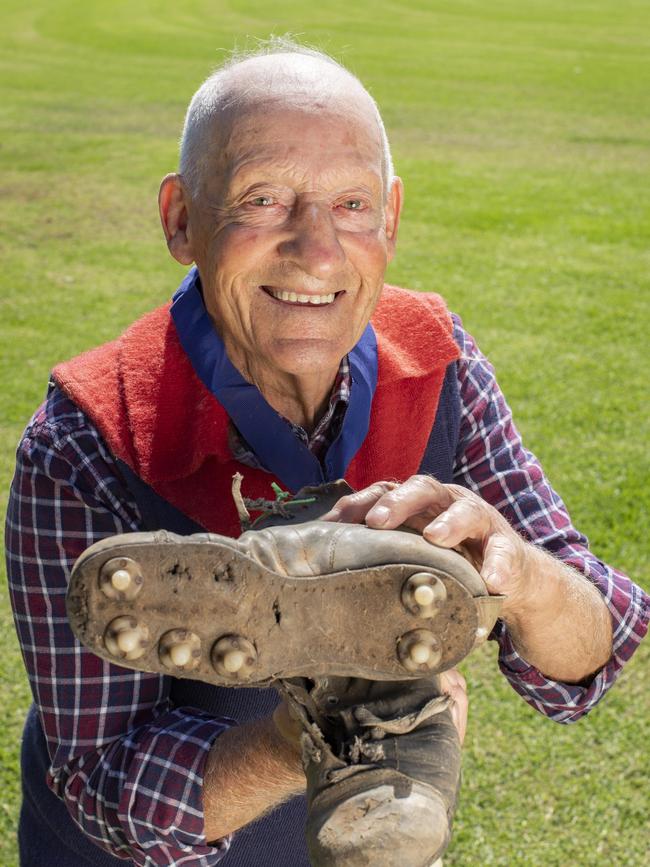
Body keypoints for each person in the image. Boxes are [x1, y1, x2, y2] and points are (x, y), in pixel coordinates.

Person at [5, 39, 648, 867]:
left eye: (351, 204)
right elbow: (100, 781)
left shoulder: (441, 360)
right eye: (263, 199)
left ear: (391, 216)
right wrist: (307, 736)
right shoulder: (86, 438)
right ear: (180, 219)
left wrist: (516, 569)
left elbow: (597, 645)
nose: (316, 252)